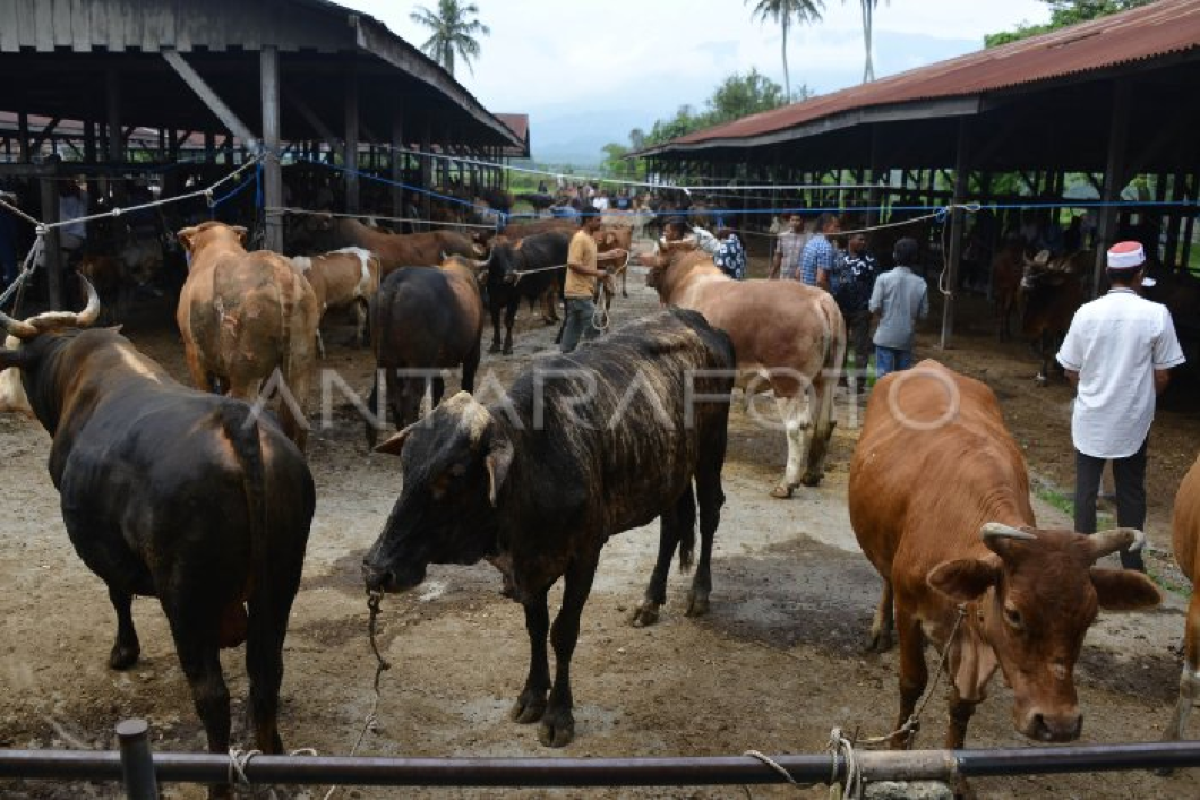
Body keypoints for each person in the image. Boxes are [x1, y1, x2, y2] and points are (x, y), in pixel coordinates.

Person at [1055, 241, 1185, 571]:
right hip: (1133, 418)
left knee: (1085, 489)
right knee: (1130, 491)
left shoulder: (1086, 313)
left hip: (1091, 415)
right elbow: (1164, 374)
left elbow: (1070, 368)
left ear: (1108, 273)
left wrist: (1090, 391)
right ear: (1140, 274)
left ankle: (1083, 559)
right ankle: (1131, 561)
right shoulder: (1156, 314)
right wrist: (1139, 399)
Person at [562, 212, 625, 353]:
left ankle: (564, 354)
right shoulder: (579, 239)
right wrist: (598, 273)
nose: (600, 223)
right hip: (578, 291)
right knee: (594, 327)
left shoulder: (589, 239)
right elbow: (572, 263)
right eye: (597, 220)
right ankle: (593, 357)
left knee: (573, 327)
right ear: (588, 220)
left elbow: (590, 257)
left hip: (582, 291)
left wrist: (610, 254)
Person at [869, 237, 928, 380]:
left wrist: (883, 315)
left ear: (894, 255)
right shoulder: (920, 283)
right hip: (905, 338)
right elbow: (923, 314)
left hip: (885, 336)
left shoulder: (883, 279)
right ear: (915, 257)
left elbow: (875, 306)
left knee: (883, 381)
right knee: (902, 383)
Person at [830, 232, 878, 390]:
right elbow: (832, 280)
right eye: (860, 239)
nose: (863, 242)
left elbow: (874, 284)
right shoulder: (838, 257)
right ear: (850, 239)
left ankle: (859, 384)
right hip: (840, 309)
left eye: (865, 239)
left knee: (860, 348)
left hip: (861, 310)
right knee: (840, 345)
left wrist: (871, 307)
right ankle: (841, 380)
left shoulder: (869, 259)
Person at [806, 213, 841, 290]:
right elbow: (820, 281)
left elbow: (798, 274)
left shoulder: (810, 242)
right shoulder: (825, 247)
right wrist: (828, 296)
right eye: (836, 227)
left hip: (807, 294)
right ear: (825, 227)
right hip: (818, 296)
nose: (839, 231)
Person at [769, 213, 807, 280]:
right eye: (792, 220)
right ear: (789, 221)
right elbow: (778, 257)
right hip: (785, 276)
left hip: (801, 277)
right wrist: (771, 275)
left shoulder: (808, 237)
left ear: (802, 221)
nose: (794, 223)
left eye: (797, 220)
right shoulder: (783, 236)